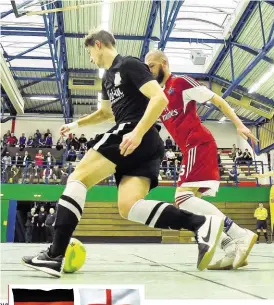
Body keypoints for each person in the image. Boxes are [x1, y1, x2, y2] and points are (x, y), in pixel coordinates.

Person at [22, 29, 224, 278]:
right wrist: (76, 125)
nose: (90, 58)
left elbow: (159, 99)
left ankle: (55, 255)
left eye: (89, 52)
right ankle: (200, 224)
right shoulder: (107, 79)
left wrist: (137, 132)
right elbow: (105, 114)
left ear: (98, 45)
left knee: (77, 179)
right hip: (143, 143)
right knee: (129, 207)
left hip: (135, 132)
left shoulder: (129, 64)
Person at [145, 49, 258, 270]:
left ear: (164, 63)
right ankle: (230, 246)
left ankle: (239, 234)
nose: (148, 71)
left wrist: (239, 124)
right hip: (189, 149)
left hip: (199, 143)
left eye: (151, 66)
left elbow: (217, 100)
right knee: (190, 207)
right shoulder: (160, 97)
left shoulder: (180, 83)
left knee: (182, 199)